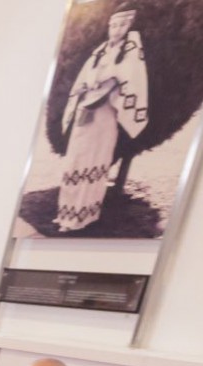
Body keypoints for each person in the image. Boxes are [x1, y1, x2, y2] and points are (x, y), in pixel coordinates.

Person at [55, 5, 148, 234]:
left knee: (93, 162)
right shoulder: (100, 51)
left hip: (105, 115)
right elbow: (83, 78)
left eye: (122, 25)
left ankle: (83, 216)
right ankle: (66, 213)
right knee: (75, 161)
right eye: (113, 25)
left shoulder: (132, 51)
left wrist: (106, 82)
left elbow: (130, 80)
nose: (116, 29)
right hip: (85, 113)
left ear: (129, 26)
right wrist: (89, 85)